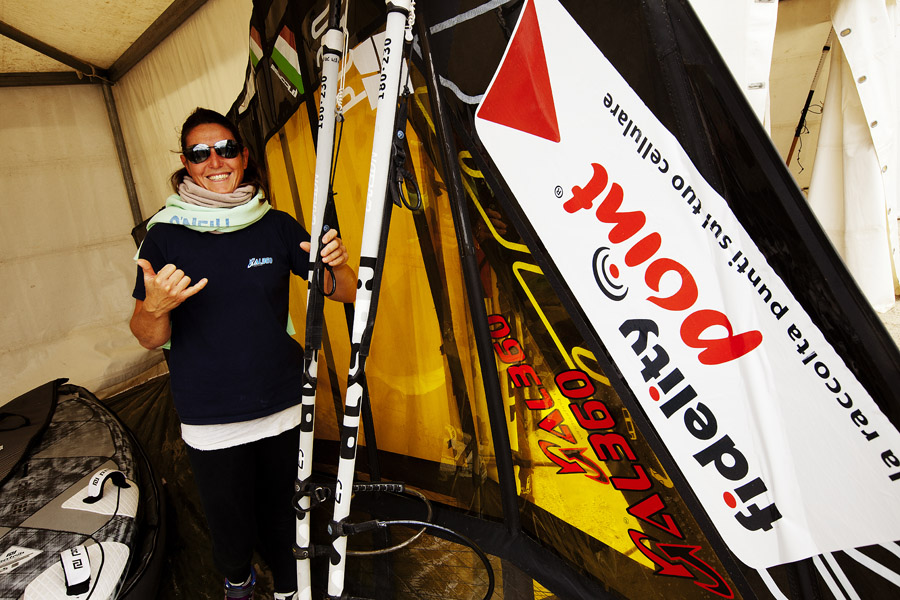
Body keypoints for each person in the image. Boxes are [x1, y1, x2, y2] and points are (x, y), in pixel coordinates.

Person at [130, 107, 356, 600]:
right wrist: (155, 306)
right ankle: (239, 580)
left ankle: (290, 588)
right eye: (199, 153)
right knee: (229, 523)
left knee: (286, 514)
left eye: (226, 149)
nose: (215, 161)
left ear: (244, 156)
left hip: (283, 403)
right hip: (211, 416)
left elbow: (342, 290)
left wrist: (338, 265)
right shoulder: (163, 235)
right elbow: (146, 336)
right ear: (186, 164)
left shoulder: (275, 224)